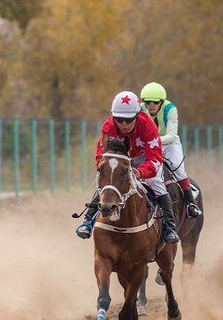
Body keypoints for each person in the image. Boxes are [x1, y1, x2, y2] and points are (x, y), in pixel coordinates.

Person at [75, 91, 180, 244]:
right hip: (120, 160)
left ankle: (170, 228)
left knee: (157, 185)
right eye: (119, 119)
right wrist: (104, 167)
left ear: (137, 115)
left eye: (128, 119)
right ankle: (88, 222)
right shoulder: (108, 126)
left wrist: (140, 172)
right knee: (107, 185)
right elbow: (101, 155)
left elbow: (155, 159)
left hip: (145, 158)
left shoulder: (148, 126)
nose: (124, 124)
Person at [140, 82, 202, 219]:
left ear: (161, 102)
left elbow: (172, 135)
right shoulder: (140, 109)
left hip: (169, 144)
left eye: (155, 102)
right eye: (147, 101)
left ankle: (190, 204)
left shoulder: (170, 109)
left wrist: (153, 140)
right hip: (148, 145)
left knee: (177, 169)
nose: (151, 105)